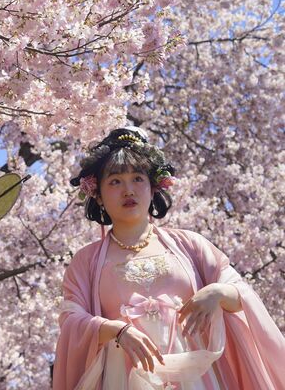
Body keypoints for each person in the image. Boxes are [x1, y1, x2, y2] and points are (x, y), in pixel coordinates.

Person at [53, 127, 285, 389]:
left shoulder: (191, 245)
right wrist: (117, 330)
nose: (128, 190)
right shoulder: (86, 261)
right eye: (115, 181)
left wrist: (218, 292)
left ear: (153, 188)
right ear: (98, 194)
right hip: (124, 377)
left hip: (197, 374)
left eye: (138, 179)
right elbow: (71, 318)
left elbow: (240, 292)